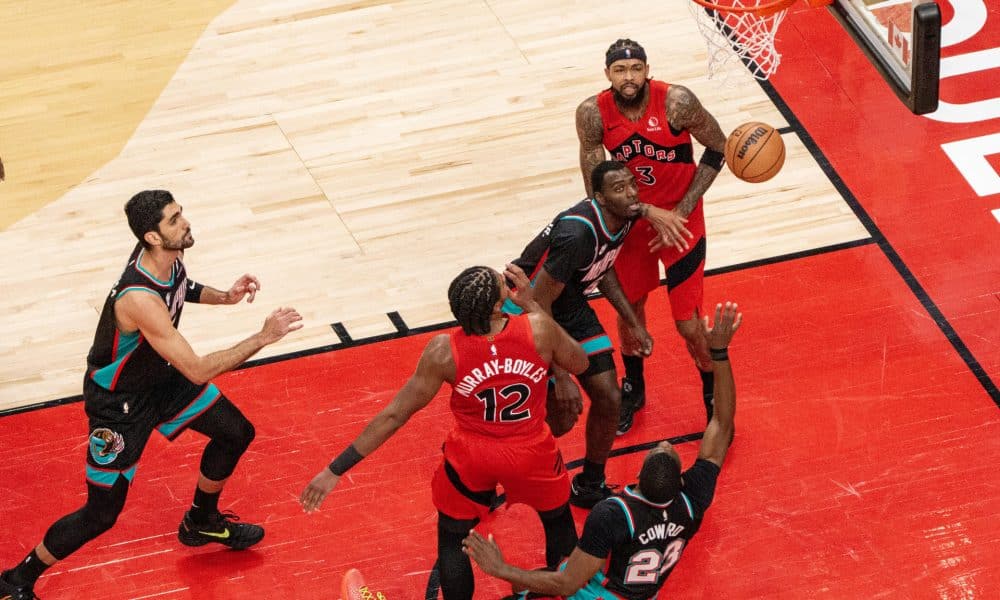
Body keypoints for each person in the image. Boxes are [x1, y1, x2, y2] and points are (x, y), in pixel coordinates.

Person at [0, 190, 303, 600]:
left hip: (160, 377)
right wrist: (263, 337)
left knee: (235, 431)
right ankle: (16, 580)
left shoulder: (168, 256)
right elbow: (196, 368)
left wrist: (224, 297)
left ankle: (202, 520)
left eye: (181, 213)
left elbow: (183, 285)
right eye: (175, 220)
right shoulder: (137, 297)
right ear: (153, 237)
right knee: (101, 514)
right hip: (120, 404)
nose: (186, 222)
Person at [300, 264, 591, 600]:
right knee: (558, 523)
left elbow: (395, 415)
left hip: (473, 456)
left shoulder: (443, 351)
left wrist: (335, 469)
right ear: (499, 306)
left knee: (454, 538)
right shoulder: (539, 329)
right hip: (531, 451)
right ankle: (568, 595)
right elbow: (580, 362)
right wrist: (533, 307)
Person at [463, 301, 742, 600]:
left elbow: (567, 584)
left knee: (522, 588)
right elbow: (722, 424)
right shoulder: (692, 500)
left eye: (661, 449)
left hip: (598, 595)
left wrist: (500, 568)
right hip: (638, 591)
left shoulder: (614, 513)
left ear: (639, 477)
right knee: (532, 580)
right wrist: (720, 352)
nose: (664, 442)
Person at [509, 160, 683, 509]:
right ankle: (488, 458)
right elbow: (538, 301)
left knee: (608, 396)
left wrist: (632, 321)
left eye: (633, 184)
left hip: (567, 303)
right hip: (526, 310)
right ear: (600, 198)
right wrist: (561, 374)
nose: (632, 193)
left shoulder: (622, 216)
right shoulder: (578, 234)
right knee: (557, 419)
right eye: (620, 189)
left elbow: (603, 268)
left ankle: (590, 484)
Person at [576, 38, 729, 435]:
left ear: (648, 70)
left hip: (681, 223)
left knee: (689, 326)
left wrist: (679, 210)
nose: (629, 77)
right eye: (620, 71)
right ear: (607, 74)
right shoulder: (593, 114)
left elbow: (718, 149)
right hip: (632, 226)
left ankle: (712, 394)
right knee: (630, 313)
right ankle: (635, 386)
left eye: (636, 69)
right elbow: (596, 189)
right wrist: (644, 212)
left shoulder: (678, 102)